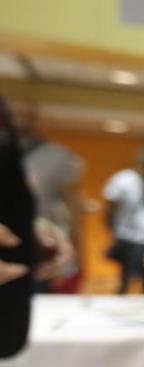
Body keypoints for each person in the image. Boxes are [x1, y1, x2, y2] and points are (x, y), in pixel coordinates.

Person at [12, 100, 84, 293]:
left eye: (27, 116)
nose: (19, 121)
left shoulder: (59, 156)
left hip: (40, 243)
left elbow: (72, 202)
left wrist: (75, 243)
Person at [102, 153, 144, 294]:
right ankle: (121, 301)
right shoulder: (125, 180)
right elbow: (110, 206)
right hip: (128, 236)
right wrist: (113, 230)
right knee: (126, 276)